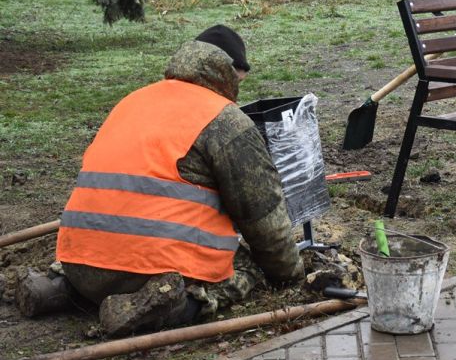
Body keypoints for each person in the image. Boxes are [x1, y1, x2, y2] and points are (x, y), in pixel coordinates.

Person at [16, 25, 304, 336]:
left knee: (102, 267)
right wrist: (289, 273)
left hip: (78, 261)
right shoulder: (225, 120)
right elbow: (262, 217)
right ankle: (174, 306)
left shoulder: (132, 101)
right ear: (231, 73)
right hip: (148, 272)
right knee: (246, 267)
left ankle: (59, 289)